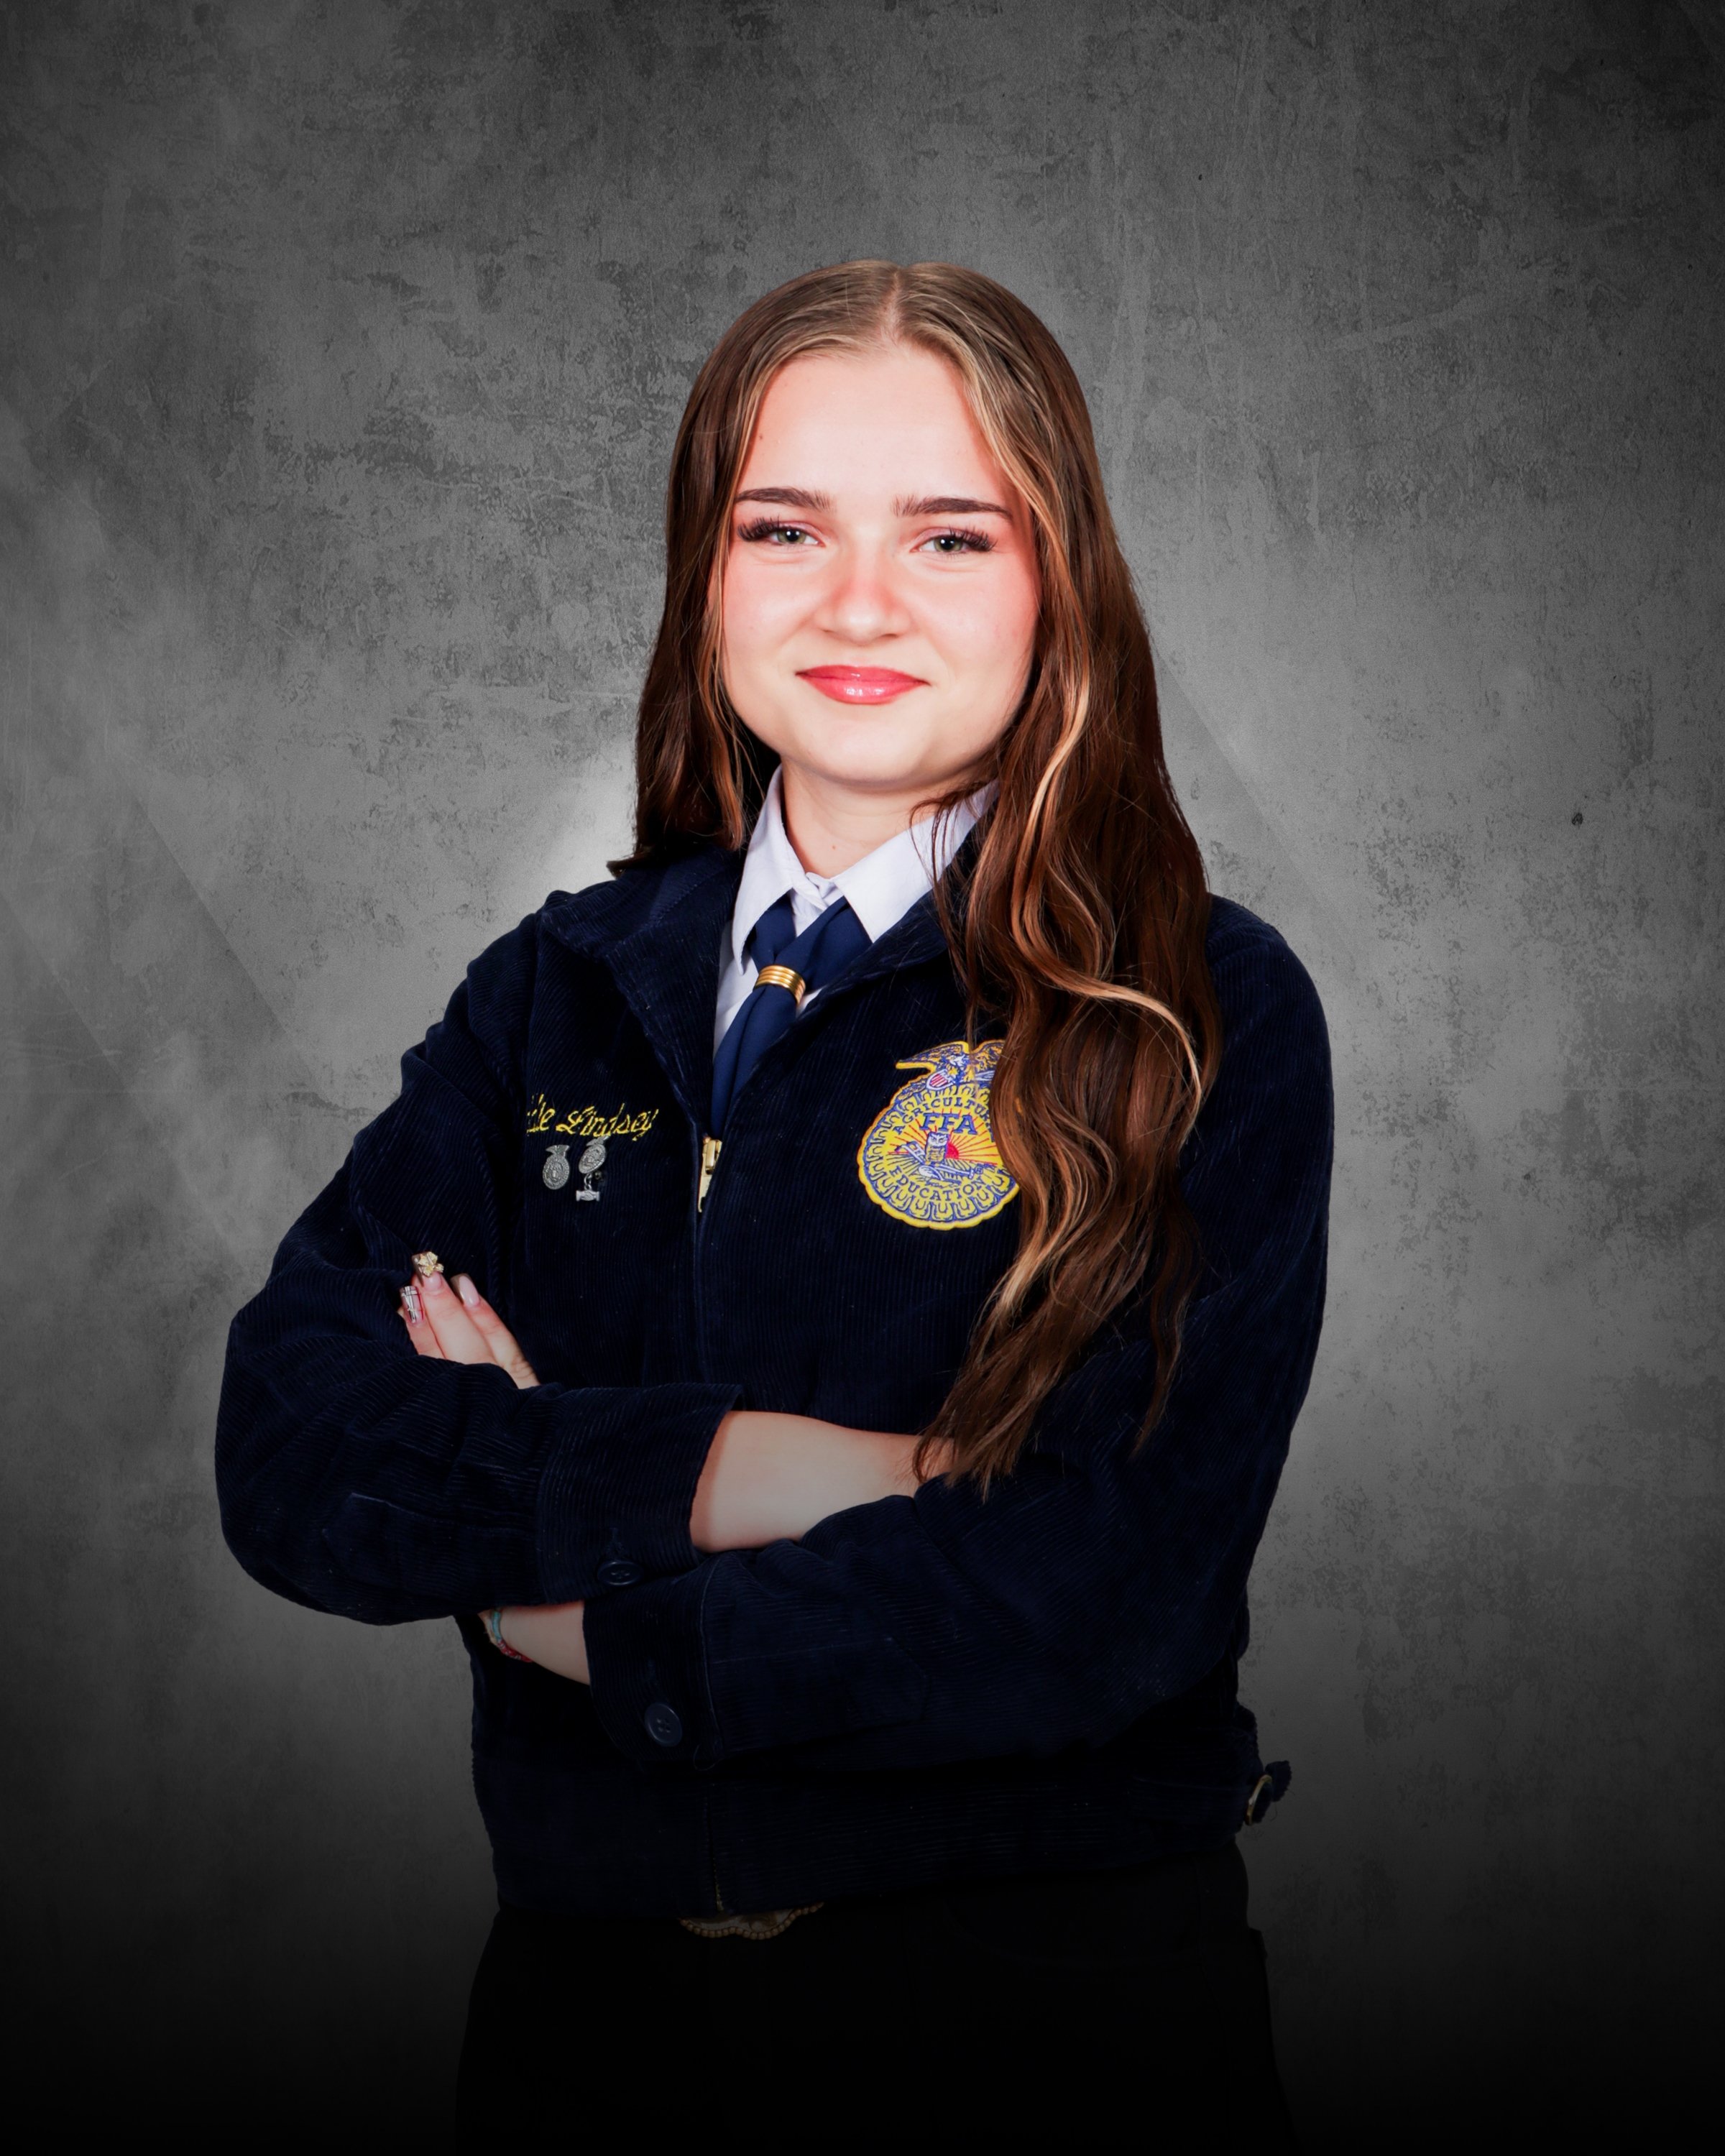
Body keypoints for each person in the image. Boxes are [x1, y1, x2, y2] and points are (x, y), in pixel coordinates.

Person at [216, 259, 1330, 2147]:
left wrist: (570, 1607)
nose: (860, 601)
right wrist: (765, 1468)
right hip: (592, 2028)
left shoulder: (1196, 1012)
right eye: (783, 525)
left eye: (952, 534)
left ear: (1061, 580)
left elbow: (1098, 1592)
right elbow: (297, 1447)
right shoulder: (560, 986)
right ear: (702, 575)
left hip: (1053, 2035)